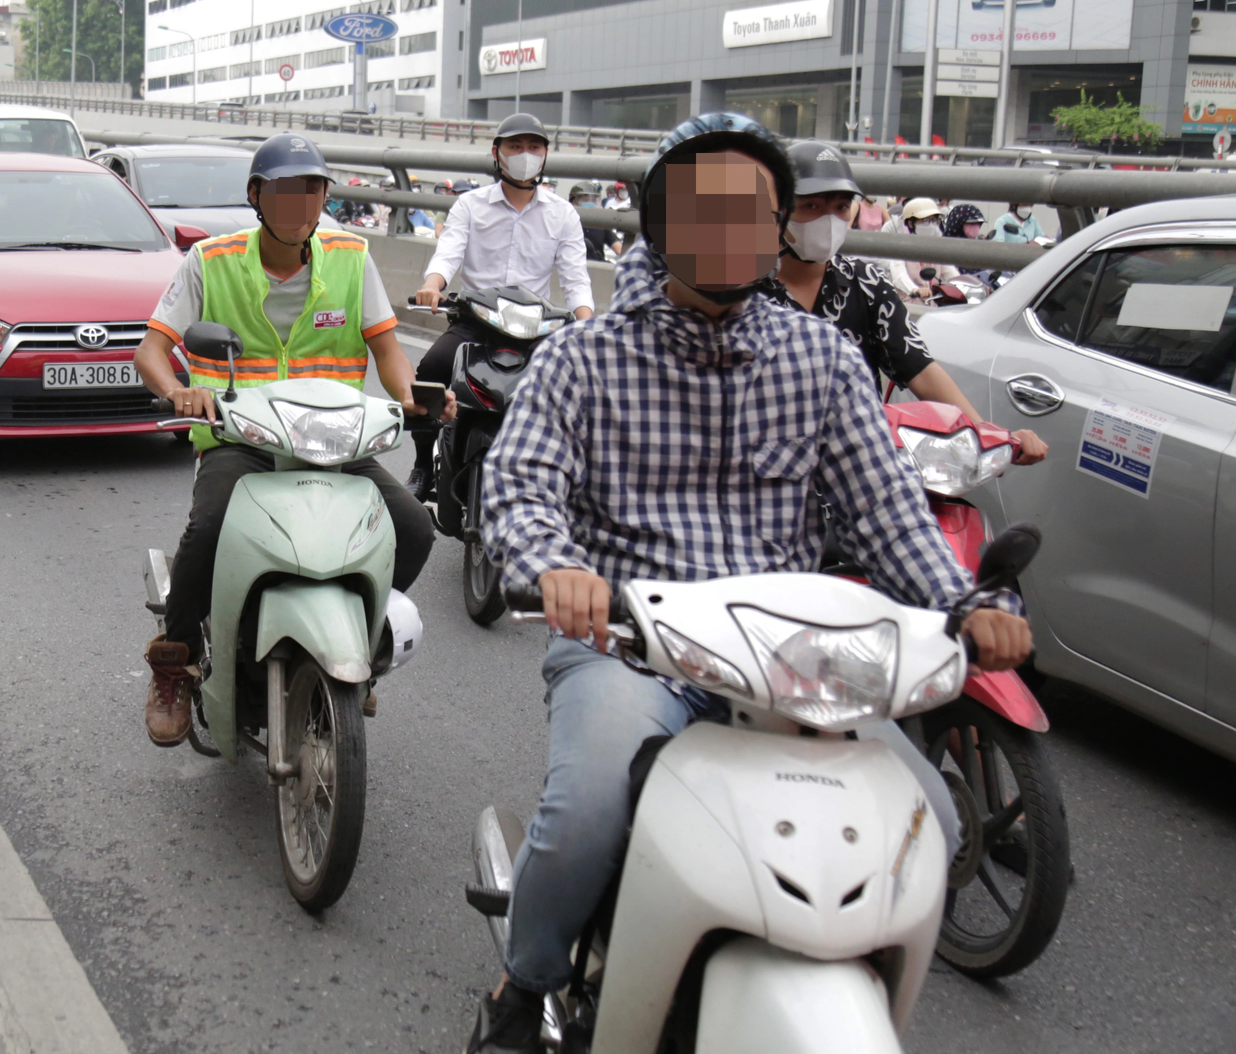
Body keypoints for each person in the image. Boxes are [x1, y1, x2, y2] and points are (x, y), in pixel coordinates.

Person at [465, 114, 1036, 1053]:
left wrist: (971, 605)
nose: (729, 232)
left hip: (794, 663)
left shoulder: (823, 358)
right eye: (704, 211)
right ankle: (522, 988)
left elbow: (889, 515)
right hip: (633, 644)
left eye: (751, 213)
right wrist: (557, 569)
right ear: (656, 224)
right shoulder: (583, 356)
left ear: (776, 228)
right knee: (586, 805)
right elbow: (520, 488)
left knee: (928, 816)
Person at [133, 133, 446, 747]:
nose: (300, 203)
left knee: (411, 528)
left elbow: (388, 350)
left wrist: (411, 394)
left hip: (334, 443)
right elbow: (152, 352)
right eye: (285, 190)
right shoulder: (211, 261)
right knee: (208, 528)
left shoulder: (352, 258)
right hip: (240, 438)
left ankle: (360, 644)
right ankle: (174, 664)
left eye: (312, 190)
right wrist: (179, 392)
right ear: (256, 196)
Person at [754, 144, 1046, 464]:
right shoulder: (741, 291)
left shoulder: (865, 283)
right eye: (811, 206)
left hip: (857, 464)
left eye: (840, 207)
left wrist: (988, 433)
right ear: (778, 210)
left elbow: (918, 367)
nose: (829, 220)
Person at [407, 113, 597, 500]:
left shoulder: (563, 214)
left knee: (577, 390)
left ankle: (565, 480)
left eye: (533, 147)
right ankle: (423, 465)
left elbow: (576, 280)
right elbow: (449, 252)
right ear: (497, 153)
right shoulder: (470, 205)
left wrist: (587, 324)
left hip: (536, 327)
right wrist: (432, 284)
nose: (525, 155)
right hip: (476, 321)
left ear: (545, 155)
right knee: (431, 369)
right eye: (515, 146)